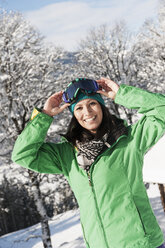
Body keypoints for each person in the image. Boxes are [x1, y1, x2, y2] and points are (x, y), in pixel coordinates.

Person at [12, 77, 165, 248]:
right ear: (73, 114)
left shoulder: (129, 140)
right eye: (78, 107)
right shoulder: (66, 154)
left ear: (101, 106)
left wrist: (121, 94)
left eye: (92, 103)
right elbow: (22, 154)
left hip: (142, 244)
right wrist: (45, 116)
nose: (87, 112)